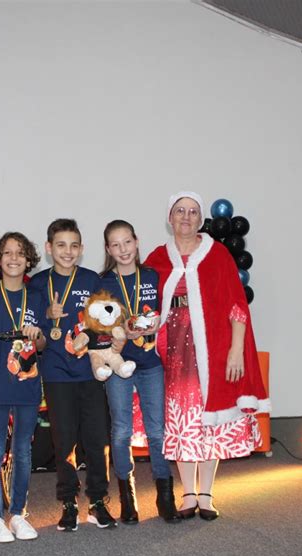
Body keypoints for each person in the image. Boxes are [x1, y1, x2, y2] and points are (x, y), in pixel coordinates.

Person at [144, 191, 270, 520]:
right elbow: (142, 303)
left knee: (209, 417)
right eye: (180, 211)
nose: (186, 217)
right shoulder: (157, 257)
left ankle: (207, 493)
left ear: (201, 220)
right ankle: (187, 493)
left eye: (193, 212)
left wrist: (235, 350)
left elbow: (236, 305)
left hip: (212, 348)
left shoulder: (218, 255)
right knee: (181, 418)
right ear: (170, 218)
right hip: (171, 349)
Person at [29, 218, 117, 531]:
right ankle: (68, 501)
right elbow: (33, 330)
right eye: (61, 245)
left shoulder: (92, 280)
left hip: (90, 371)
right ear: (49, 248)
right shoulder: (38, 284)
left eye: (74, 245)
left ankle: (97, 501)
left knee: (96, 439)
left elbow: (104, 323)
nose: (68, 251)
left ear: (81, 249)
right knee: (63, 441)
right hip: (56, 372)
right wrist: (45, 315)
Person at [100, 220, 181, 524]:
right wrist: (121, 331)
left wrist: (155, 322)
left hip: (150, 364)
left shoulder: (152, 275)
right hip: (119, 363)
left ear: (136, 241)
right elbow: (99, 325)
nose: (123, 250)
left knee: (156, 430)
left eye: (127, 242)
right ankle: (127, 496)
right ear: (108, 249)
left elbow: (164, 311)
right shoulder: (103, 281)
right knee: (121, 431)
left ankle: (165, 496)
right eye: (115, 245)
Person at [0, 232, 46, 543]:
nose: (14, 258)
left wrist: (36, 334)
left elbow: (41, 345)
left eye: (20, 253)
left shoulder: (36, 296)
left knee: (23, 452)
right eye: (7, 253)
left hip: (27, 386)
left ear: (29, 260)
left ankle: (17, 513)